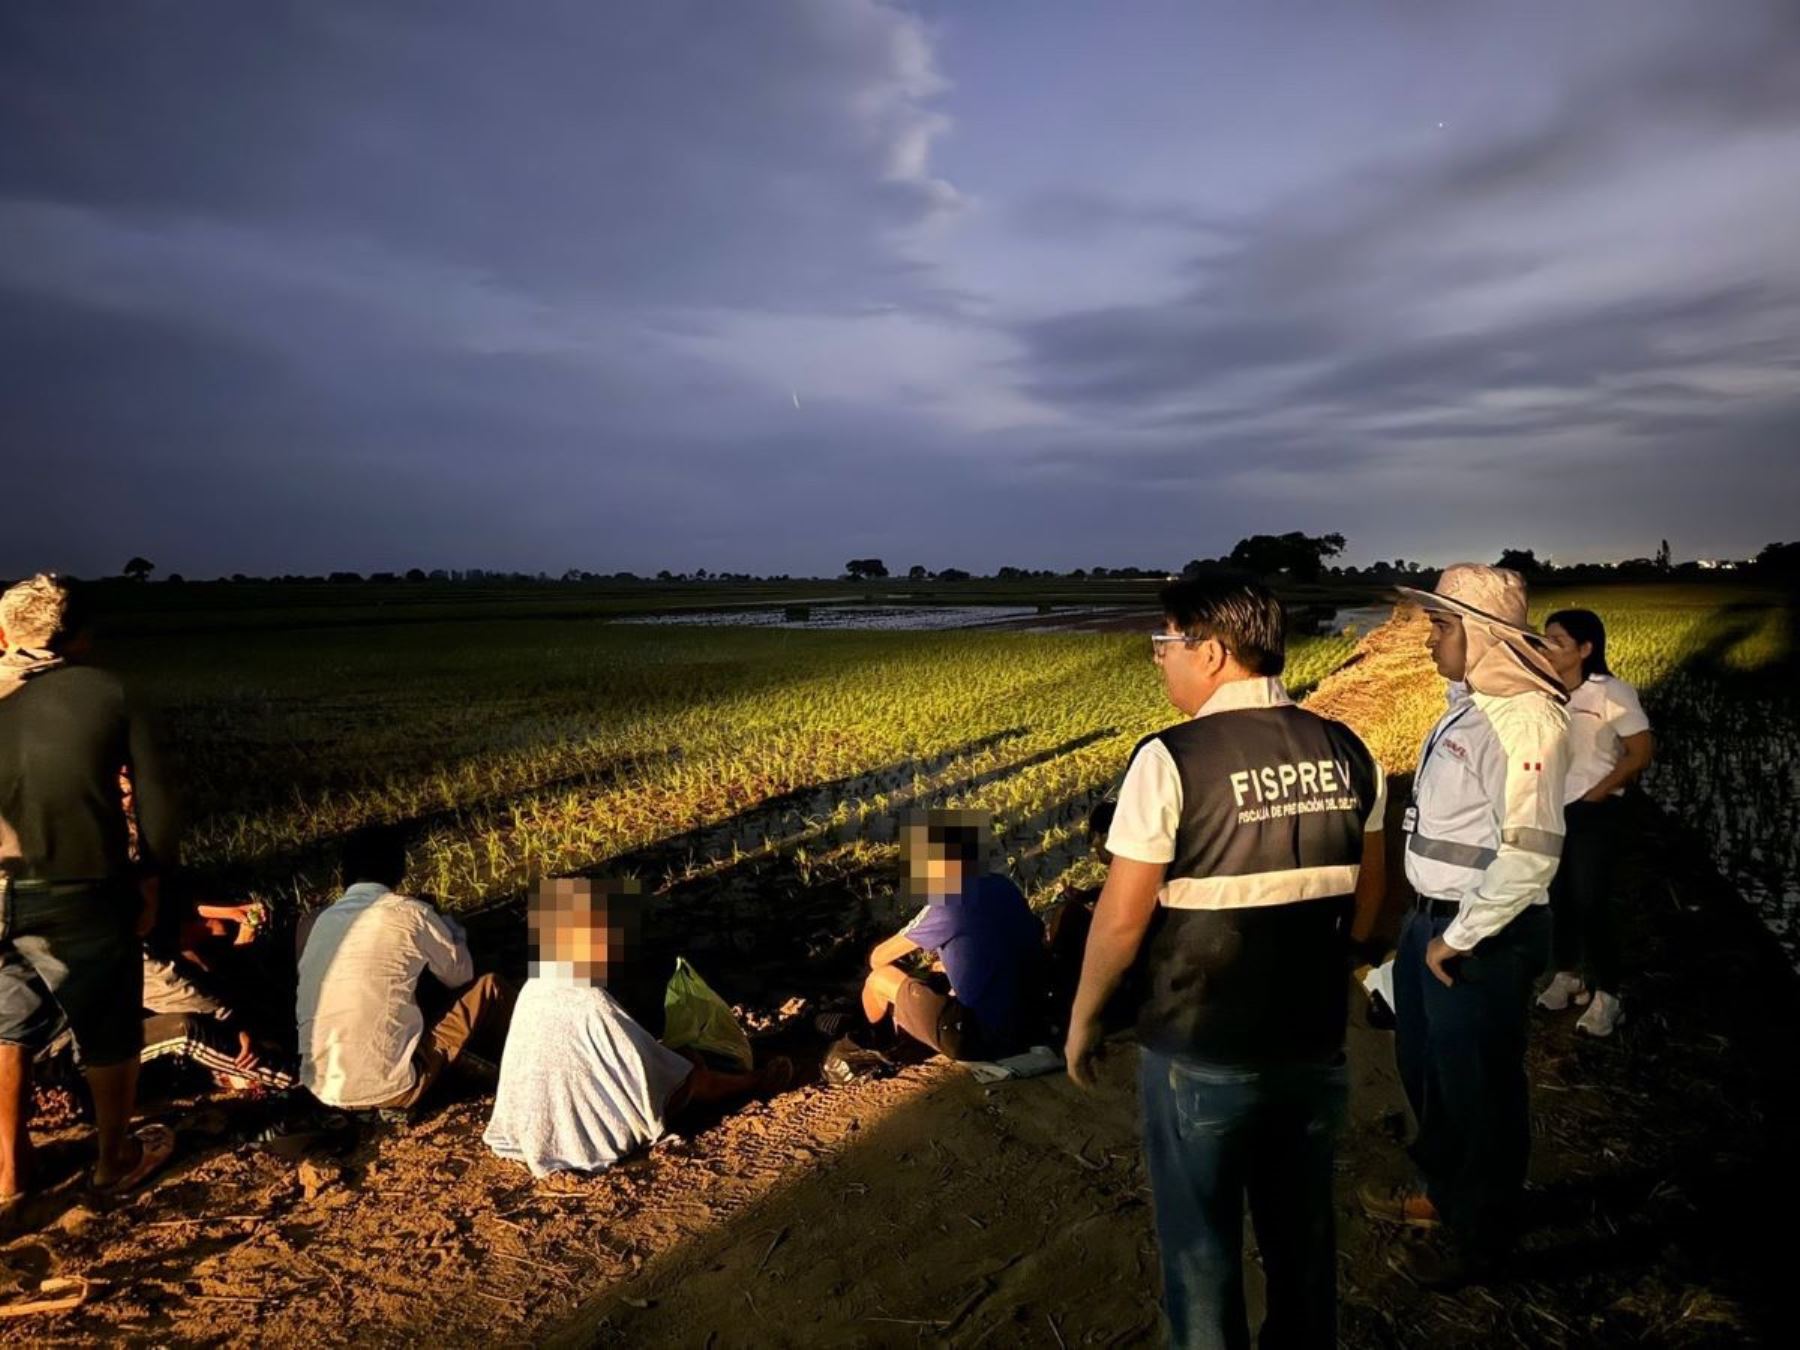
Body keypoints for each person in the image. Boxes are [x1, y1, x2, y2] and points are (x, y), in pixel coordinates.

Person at [1066, 576, 1387, 1350]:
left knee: (1201, 1250)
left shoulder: (1170, 759)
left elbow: (1120, 921)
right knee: (1302, 1237)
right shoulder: (1348, 748)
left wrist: (1083, 1019)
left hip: (1200, 1048)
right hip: (1313, 1043)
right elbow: (1375, 904)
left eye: (1163, 644)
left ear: (1210, 652)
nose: (1158, 661)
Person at [1360, 565, 1570, 1289]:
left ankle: (1482, 1242)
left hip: (1478, 937)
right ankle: (1448, 1198)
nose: (1428, 640)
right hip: (1434, 927)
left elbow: (1532, 852)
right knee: (1430, 1075)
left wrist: (1459, 935)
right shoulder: (1471, 703)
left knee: (1478, 1090)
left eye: (1442, 626)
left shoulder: (1527, 720)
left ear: (1481, 634)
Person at [1, 574, 179, 1206]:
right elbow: (156, 800)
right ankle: (114, 1159)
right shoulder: (109, 691)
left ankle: (10, 1174)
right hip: (74, 885)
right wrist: (154, 879)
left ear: (2, 635)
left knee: (7, 1025)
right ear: (80, 636)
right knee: (108, 1026)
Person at [484, 878, 791, 1177]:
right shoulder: (590, 1000)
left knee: (667, 1057)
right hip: (586, 1138)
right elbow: (653, 1078)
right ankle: (756, 1082)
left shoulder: (533, 986)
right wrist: (680, 1061)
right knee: (690, 1072)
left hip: (530, 1128)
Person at [296, 826, 512, 1113]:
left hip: (321, 1088)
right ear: (399, 869)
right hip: (391, 1090)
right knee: (489, 986)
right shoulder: (413, 913)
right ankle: (533, 1065)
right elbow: (460, 975)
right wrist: (448, 927)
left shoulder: (315, 922)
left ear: (344, 874)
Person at [1536, 609, 1652, 1038]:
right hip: (1552, 810)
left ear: (1586, 649)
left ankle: (1610, 996)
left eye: (1557, 641)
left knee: (1590, 900)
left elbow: (1639, 752)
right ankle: (1567, 975)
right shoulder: (1545, 693)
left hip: (1594, 811)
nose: (1547, 647)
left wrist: (1596, 794)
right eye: (1545, 638)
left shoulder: (1611, 692)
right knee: (1558, 897)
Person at [856, 809, 1047, 1062]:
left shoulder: (946, 904)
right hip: (1033, 1019)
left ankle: (880, 1048)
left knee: (879, 980)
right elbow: (1027, 935)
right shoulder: (1003, 885)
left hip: (983, 1038)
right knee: (944, 969)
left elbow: (878, 958)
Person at [140, 898, 297, 1091]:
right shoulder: (124, 951)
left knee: (216, 938)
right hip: (110, 1054)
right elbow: (184, 995)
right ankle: (295, 1078)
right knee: (188, 1031)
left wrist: (231, 913)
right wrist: (238, 1026)